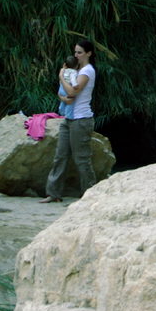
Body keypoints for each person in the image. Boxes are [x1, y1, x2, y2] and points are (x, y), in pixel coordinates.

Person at [41, 40, 97, 203]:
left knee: (82, 159)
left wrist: (60, 76)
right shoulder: (74, 69)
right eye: (75, 52)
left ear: (89, 53)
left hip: (81, 120)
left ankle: (90, 195)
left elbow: (72, 90)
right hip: (68, 118)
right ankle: (53, 193)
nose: (76, 55)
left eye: (80, 52)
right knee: (60, 156)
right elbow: (64, 94)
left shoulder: (87, 71)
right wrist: (61, 96)